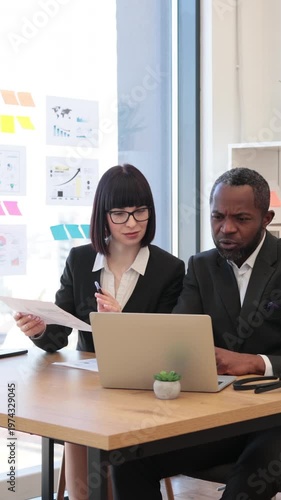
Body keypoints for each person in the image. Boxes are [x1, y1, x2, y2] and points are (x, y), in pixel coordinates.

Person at [15, 163, 185, 500]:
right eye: (120, 214)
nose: (132, 223)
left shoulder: (169, 268)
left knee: (85, 422)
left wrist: (121, 320)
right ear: (103, 216)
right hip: (90, 388)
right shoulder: (79, 261)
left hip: (142, 387)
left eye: (140, 212)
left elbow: (169, 345)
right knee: (79, 418)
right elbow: (57, 337)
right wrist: (37, 330)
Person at [111, 167, 281, 500]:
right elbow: (179, 339)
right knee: (127, 458)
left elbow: (248, 361)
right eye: (217, 217)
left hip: (276, 420)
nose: (226, 228)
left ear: (266, 218)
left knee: (247, 481)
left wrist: (257, 363)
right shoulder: (201, 266)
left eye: (241, 218)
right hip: (221, 418)